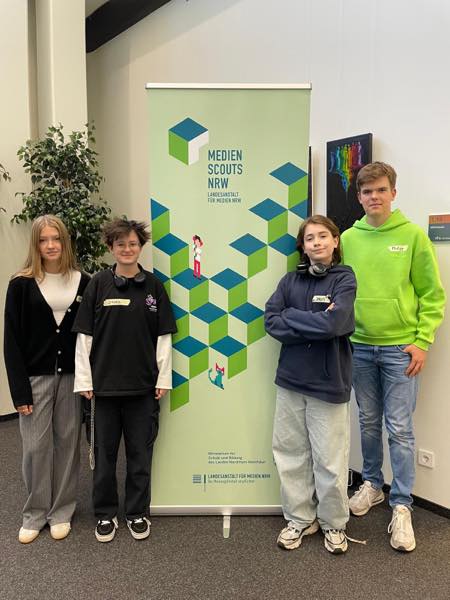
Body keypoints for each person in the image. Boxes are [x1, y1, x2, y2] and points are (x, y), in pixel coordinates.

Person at [341, 162, 446, 552]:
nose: (374, 197)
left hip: (400, 350)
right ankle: (372, 484)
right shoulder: (348, 238)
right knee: (368, 422)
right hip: (359, 346)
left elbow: (432, 295)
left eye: (381, 190)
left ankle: (402, 504)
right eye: (367, 192)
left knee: (399, 428)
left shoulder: (413, 236)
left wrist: (422, 341)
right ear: (359, 197)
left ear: (393, 193)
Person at [73, 218, 177, 542]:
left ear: (140, 247)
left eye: (133, 244)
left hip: (143, 389)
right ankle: (105, 514)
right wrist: (84, 381)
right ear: (111, 247)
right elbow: (84, 337)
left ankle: (136, 512)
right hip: (102, 390)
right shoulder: (98, 284)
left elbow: (163, 337)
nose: (127, 249)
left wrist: (163, 378)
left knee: (139, 456)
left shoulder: (154, 287)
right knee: (103, 457)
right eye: (121, 244)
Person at [265, 215, 357, 554]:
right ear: (302, 247)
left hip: (328, 383)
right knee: (290, 454)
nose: (316, 242)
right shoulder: (289, 281)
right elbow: (271, 321)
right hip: (290, 380)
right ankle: (300, 519)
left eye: (322, 236)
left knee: (330, 460)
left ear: (335, 241)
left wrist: (292, 316)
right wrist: (315, 320)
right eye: (309, 238)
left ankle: (334, 523)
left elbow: (335, 324)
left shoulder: (345, 278)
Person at [4, 215, 90, 543]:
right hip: (35, 378)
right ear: (35, 245)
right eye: (43, 240)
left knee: (67, 443)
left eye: (56, 239)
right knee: (35, 447)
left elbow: (90, 335)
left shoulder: (84, 281)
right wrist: (19, 391)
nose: (50, 245)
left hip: (72, 377)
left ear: (65, 242)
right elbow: (11, 340)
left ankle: (62, 511)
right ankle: (35, 513)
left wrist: (89, 379)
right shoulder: (21, 284)